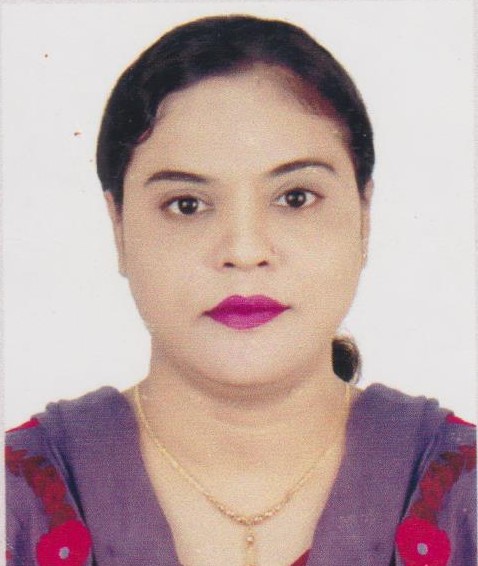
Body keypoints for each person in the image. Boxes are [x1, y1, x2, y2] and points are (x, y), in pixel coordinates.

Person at [5, 14, 475, 566]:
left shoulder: (460, 492)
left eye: (295, 198)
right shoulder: (22, 494)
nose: (245, 250)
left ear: (364, 218)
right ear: (119, 226)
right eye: (187, 205)